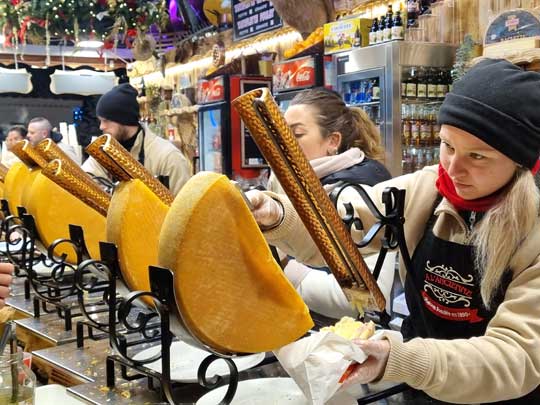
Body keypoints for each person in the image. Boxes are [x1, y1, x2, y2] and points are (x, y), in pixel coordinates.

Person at [247, 58, 540, 404]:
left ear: (521, 161)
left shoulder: (532, 230)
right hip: (423, 390)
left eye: (477, 157)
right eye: (447, 146)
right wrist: (278, 216)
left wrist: (401, 359)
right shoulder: (425, 190)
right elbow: (339, 227)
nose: (453, 168)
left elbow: (515, 356)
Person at [269, 88, 393, 320]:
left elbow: (366, 300)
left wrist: (281, 264)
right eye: (281, 134)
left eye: (296, 135)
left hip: (345, 340)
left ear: (333, 141)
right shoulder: (291, 182)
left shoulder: (360, 191)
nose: (283, 143)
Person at [82, 83, 191, 196]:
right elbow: (85, 178)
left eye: (106, 121)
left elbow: (184, 208)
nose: (101, 127)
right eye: (100, 121)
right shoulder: (104, 153)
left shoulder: (168, 157)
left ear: (123, 119)